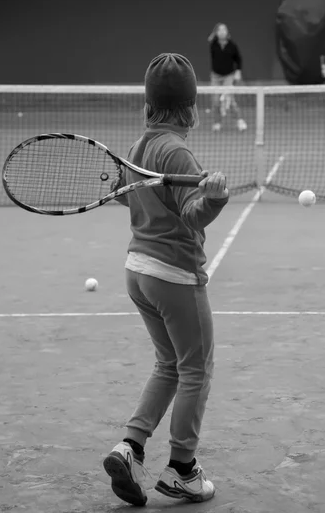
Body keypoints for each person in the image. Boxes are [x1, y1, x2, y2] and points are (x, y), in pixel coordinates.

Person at [103, 53, 229, 506]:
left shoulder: (138, 147)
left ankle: (130, 447)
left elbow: (128, 199)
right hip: (173, 275)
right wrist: (212, 200)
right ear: (191, 106)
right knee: (196, 369)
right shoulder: (175, 150)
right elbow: (192, 215)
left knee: (169, 366)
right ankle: (181, 470)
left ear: (149, 104)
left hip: (138, 273)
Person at [208, 22, 247, 132]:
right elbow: (210, 38)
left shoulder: (232, 46)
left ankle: (239, 120)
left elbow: (238, 59)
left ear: (227, 32)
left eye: (224, 30)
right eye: (219, 30)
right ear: (217, 33)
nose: (222, 32)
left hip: (228, 76)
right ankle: (217, 122)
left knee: (229, 100)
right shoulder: (213, 44)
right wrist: (214, 33)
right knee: (215, 101)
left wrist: (238, 71)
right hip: (215, 76)